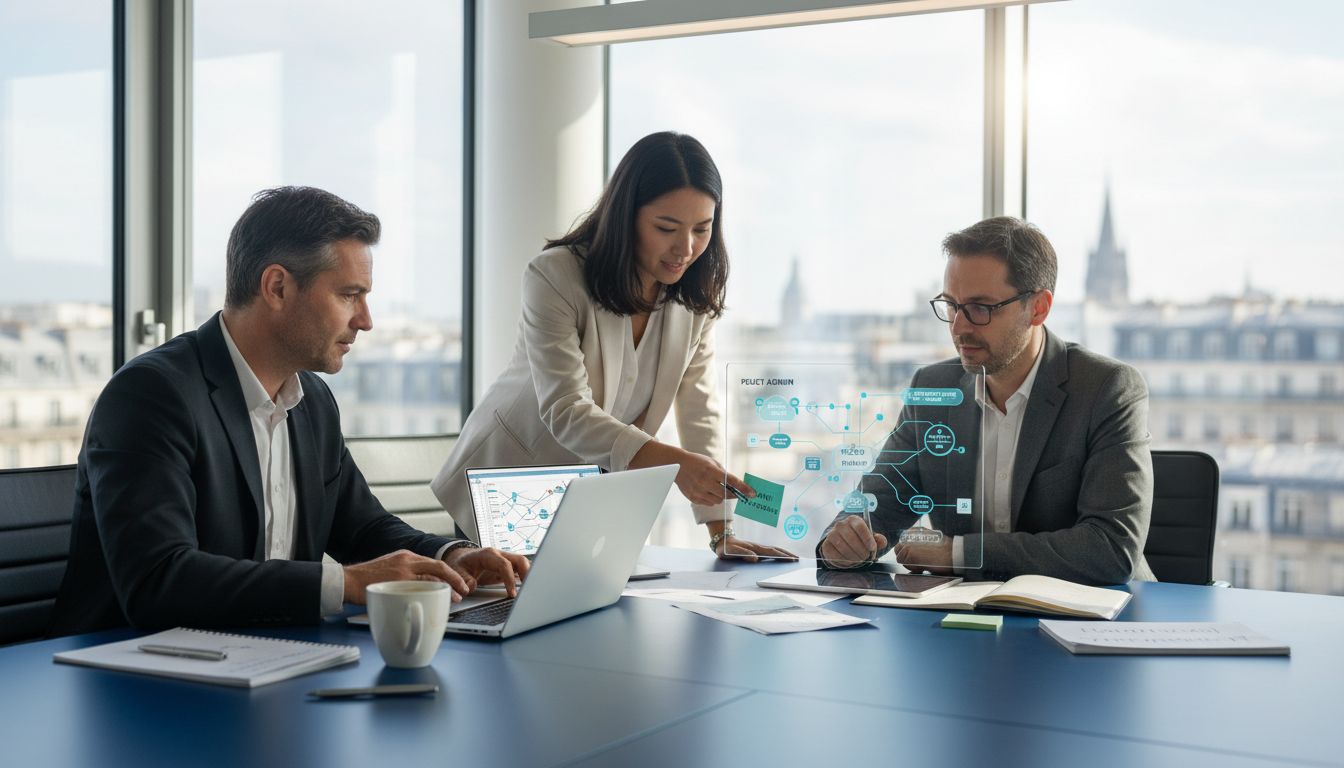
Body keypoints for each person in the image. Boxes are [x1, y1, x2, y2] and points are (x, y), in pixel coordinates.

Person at [49, 187, 528, 637]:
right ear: (277, 287)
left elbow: (362, 528)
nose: (365, 320)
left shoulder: (311, 400)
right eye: (349, 295)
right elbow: (159, 580)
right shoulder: (151, 395)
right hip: (129, 667)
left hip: (268, 654)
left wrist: (451, 555)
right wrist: (344, 583)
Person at [432, 132, 794, 561]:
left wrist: (721, 530)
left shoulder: (692, 297)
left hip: (594, 493)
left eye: (702, 228)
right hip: (510, 482)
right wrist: (675, 464)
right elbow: (566, 409)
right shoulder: (555, 276)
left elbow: (700, 411)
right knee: (514, 601)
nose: (686, 248)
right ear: (626, 217)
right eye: (666, 228)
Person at [817, 216, 1154, 585]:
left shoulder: (1107, 389)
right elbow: (877, 504)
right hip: (966, 610)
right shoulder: (933, 390)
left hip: (1095, 612)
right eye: (951, 305)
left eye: (980, 308)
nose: (959, 327)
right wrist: (845, 540)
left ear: (1038, 307)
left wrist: (960, 554)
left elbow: (1111, 548)